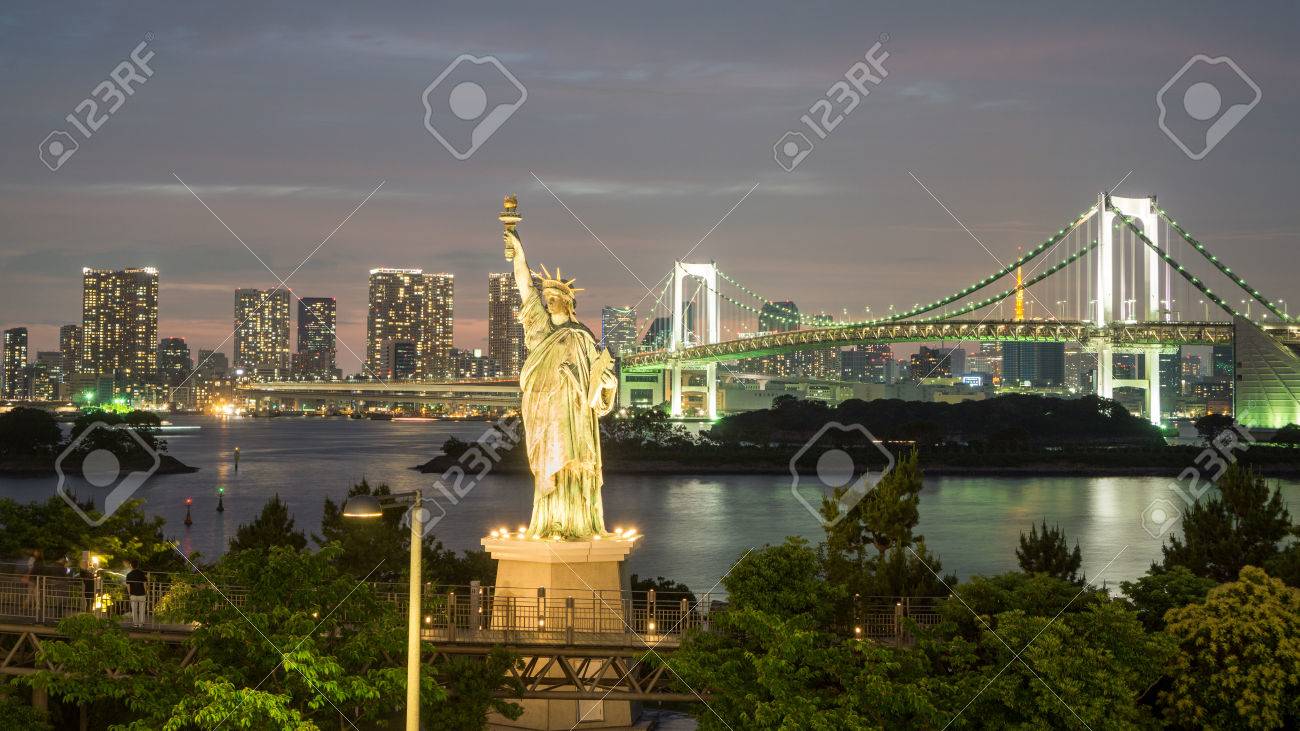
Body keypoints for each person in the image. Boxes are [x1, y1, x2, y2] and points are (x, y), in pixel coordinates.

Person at [503, 226, 618, 540]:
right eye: (548, 298)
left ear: (570, 303)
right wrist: (519, 253)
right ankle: (551, 520)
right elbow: (525, 286)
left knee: (573, 459)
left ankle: (575, 522)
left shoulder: (583, 337)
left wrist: (607, 384)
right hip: (544, 407)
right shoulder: (539, 327)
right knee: (548, 460)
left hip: (575, 408)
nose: (549, 301)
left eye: (556, 298)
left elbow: (598, 382)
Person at [125, 560, 147, 628]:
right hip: (142, 594)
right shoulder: (142, 573)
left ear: (131, 566)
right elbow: (145, 584)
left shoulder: (129, 574)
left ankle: (135, 624)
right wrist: (146, 592)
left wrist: (129, 594)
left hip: (133, 594)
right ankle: (141, 624)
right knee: (142, 609)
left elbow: (128, 586)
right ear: (138, 565)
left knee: (134, 610)